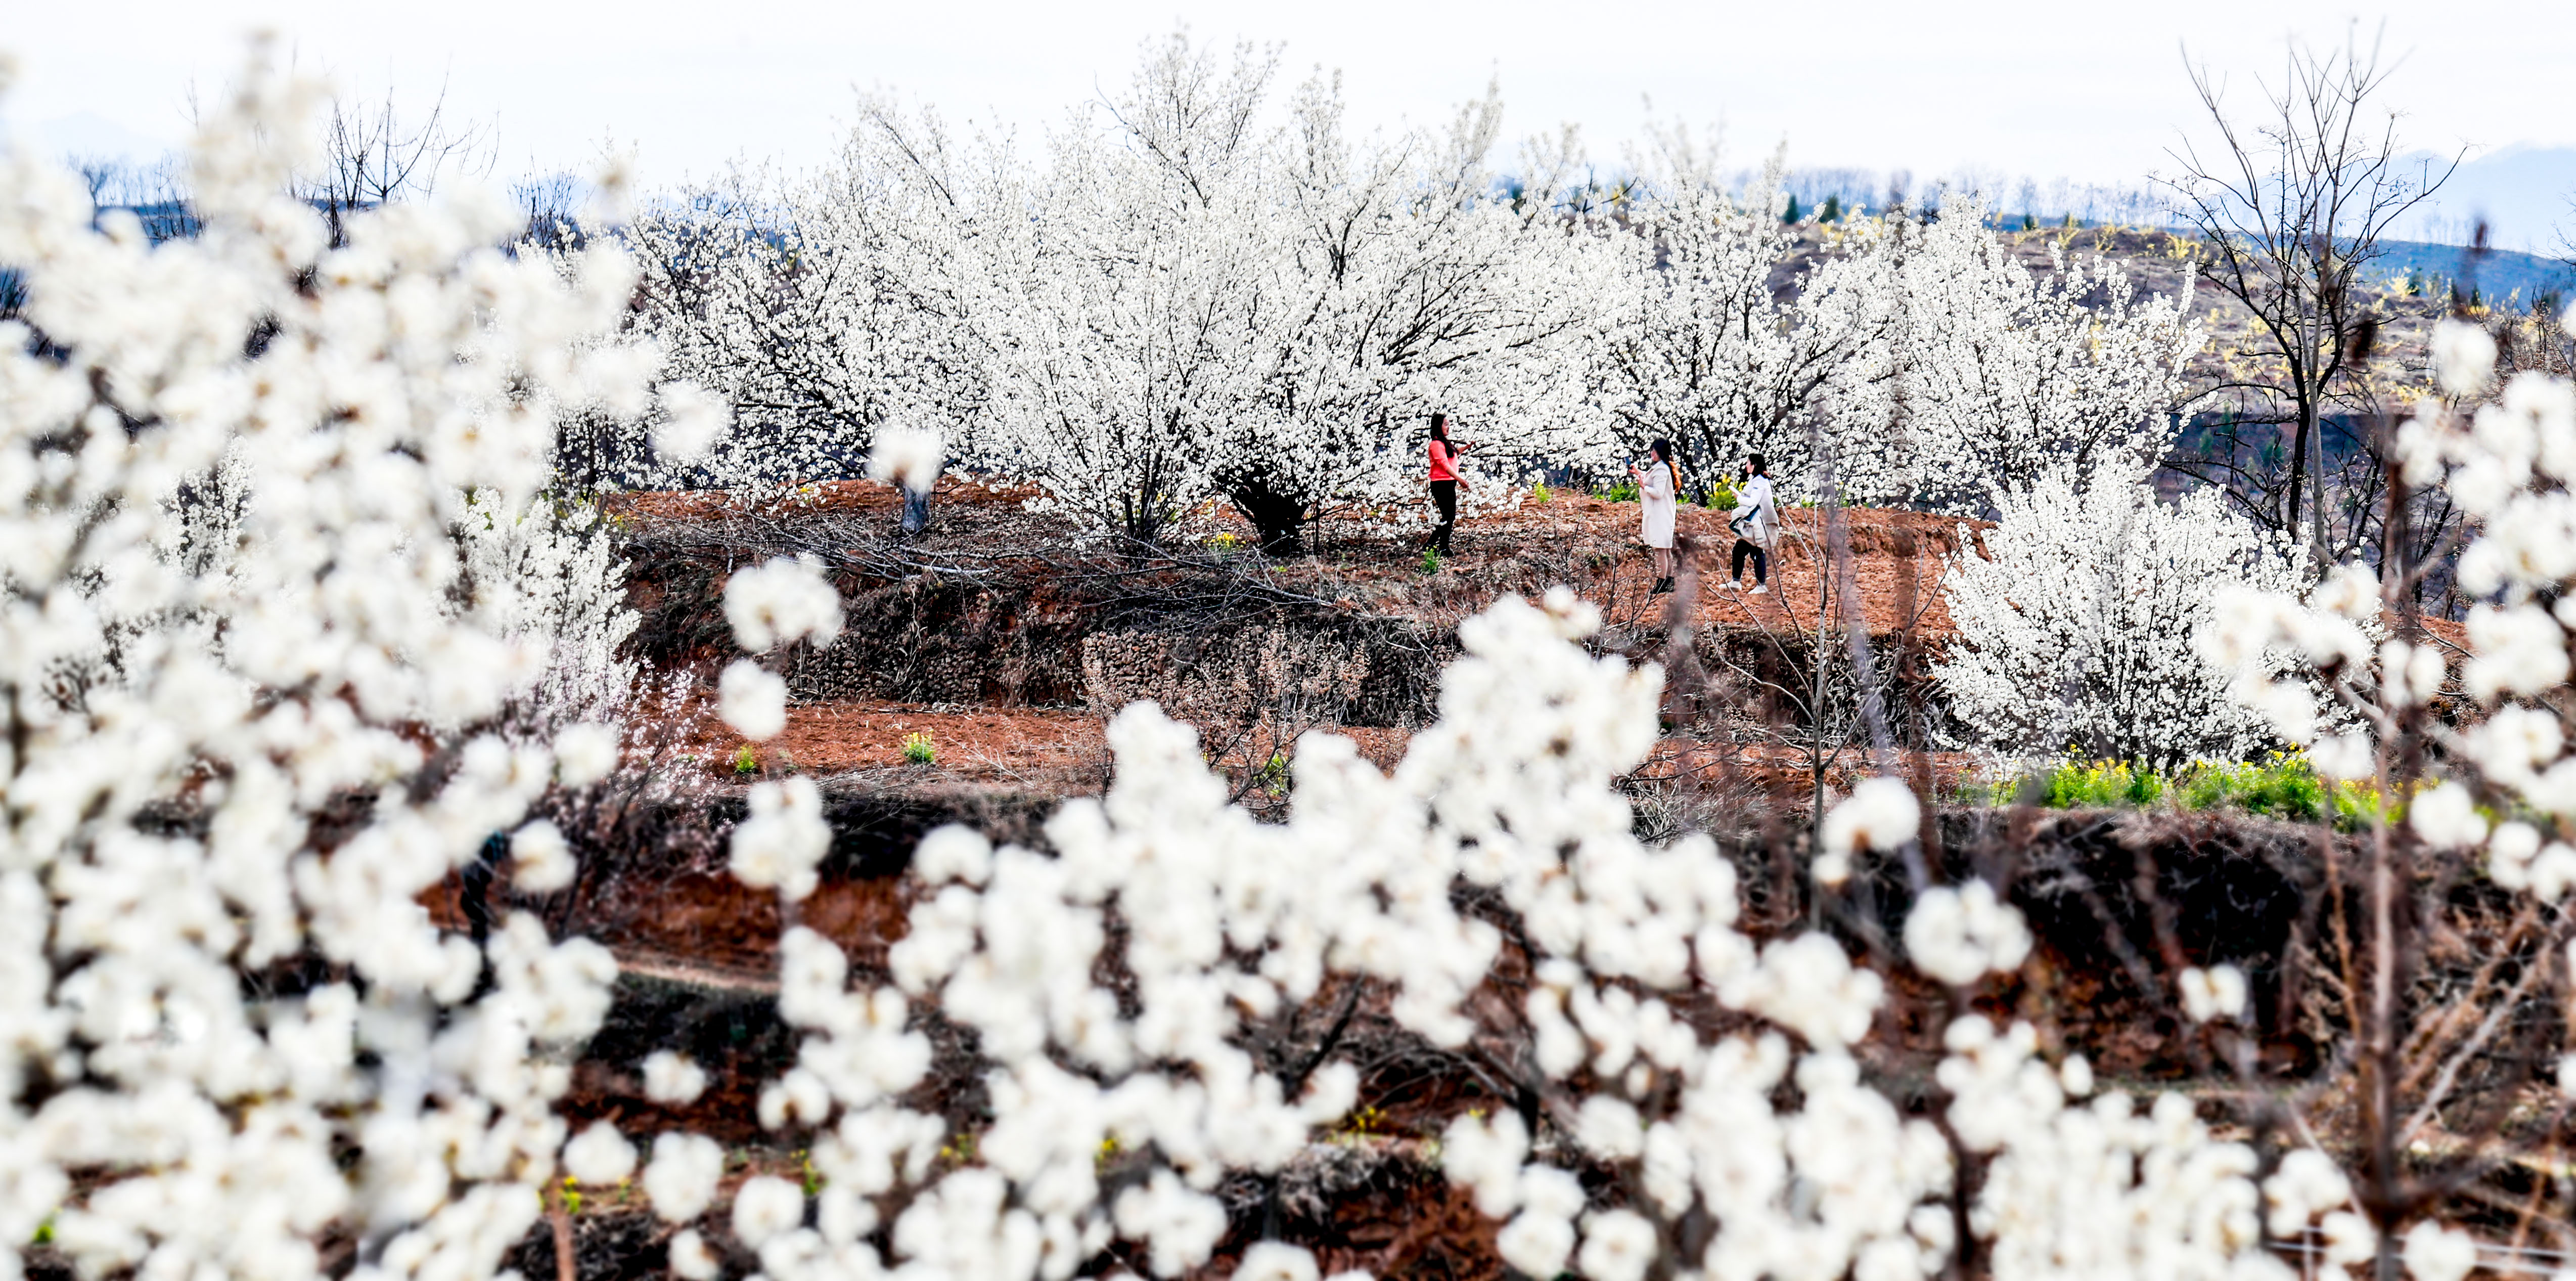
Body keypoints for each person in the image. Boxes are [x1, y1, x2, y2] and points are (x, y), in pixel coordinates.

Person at [1627, 439, 1683, 594]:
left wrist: (1644, 487)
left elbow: (1657, 492)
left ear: (1662, 453)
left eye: (1656, 451)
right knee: (1665, 551)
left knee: (1660, 550)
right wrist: (1638, 473)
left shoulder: (1662, 470)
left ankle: (1661, 583)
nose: (1653, 453)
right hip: (1663, 514)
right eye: (1652, 450)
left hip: (1660, 516)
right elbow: (1651, 478)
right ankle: (1669, 582)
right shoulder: (1662, 469)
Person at [1725, 454, 1776, 596]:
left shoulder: (1760, 481)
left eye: (1748, 463)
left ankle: (1761, 585)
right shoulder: (1755, 479)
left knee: (1756, 550)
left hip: (1760, 521)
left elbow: (1753, 501)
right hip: (1755, 521)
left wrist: (1739, 498)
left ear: (1754, 465)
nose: (1746, 465)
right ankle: (1736, 582)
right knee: (1740, 549)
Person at [1425, 413, 1472, 558]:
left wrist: (1467, 447)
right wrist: (1460, 479)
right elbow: (1444, 464)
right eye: (1445, 424)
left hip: (1448, 484)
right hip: (1441, 484)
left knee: (1449, 516)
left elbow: (1454, 455)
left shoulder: (1445, 443)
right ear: (1438, 426)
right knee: (1449, 516)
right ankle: (1438, 545)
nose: (1448, 427)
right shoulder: (1436, 445)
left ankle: (1437, 545)